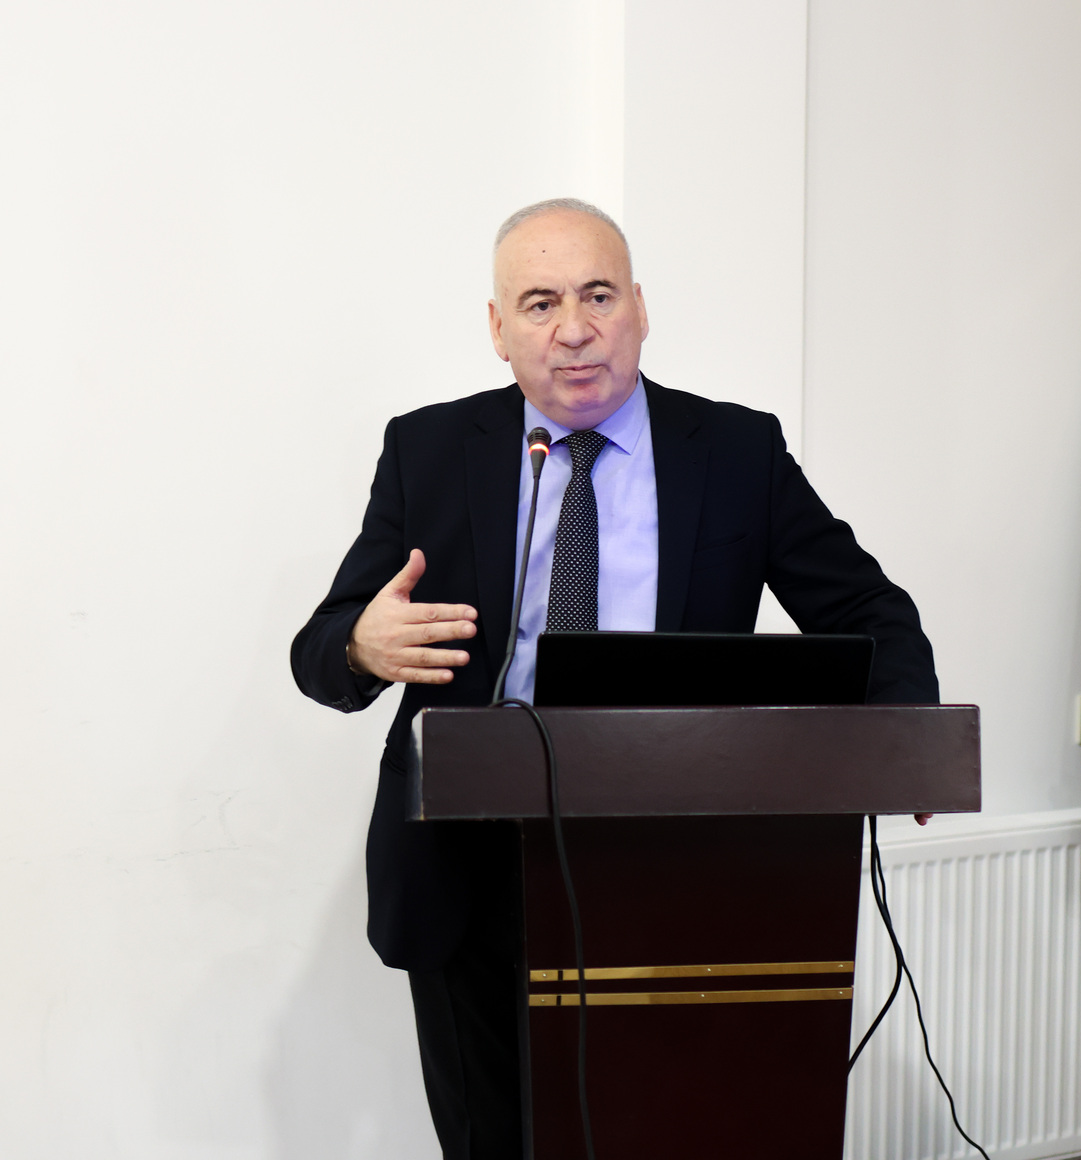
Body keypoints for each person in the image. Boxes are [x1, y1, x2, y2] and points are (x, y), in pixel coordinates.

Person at [289, 198, 938, 1157]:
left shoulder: (735, 451)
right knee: (494, 1137)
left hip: (673, 859)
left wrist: (907, 738)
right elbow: (319, 651)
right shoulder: (429, 451)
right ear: (499, 329)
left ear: (639, 308)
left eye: (598, 295)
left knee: (664, 1127)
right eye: (540, 302)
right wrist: (361, 644)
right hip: (473, 865)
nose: (574, 328)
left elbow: (869, 612)